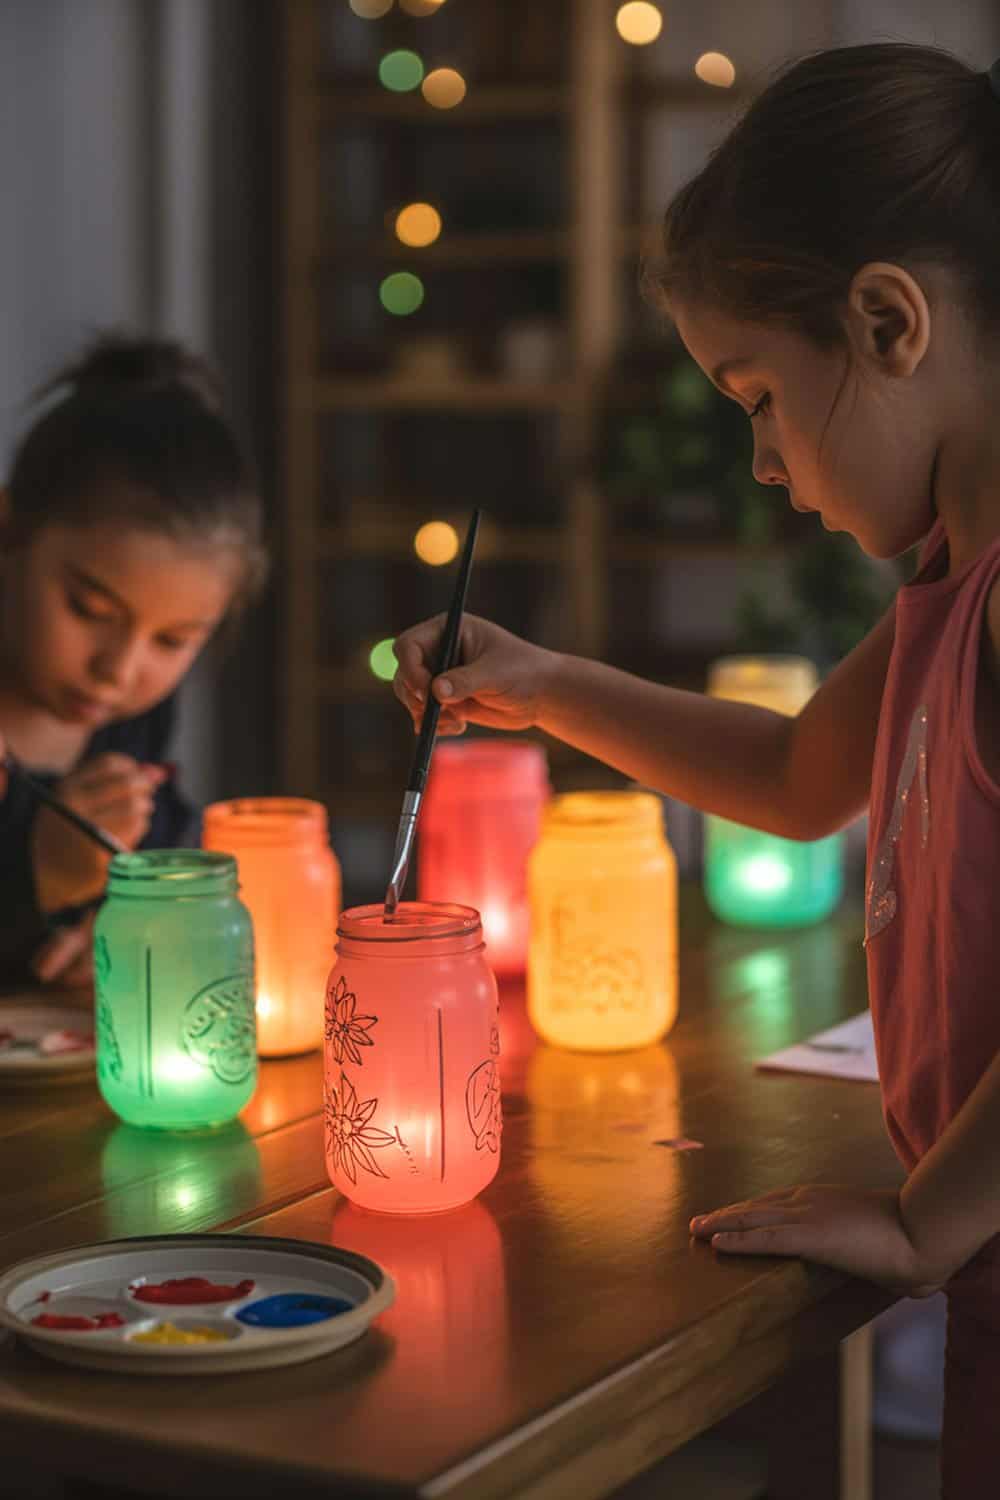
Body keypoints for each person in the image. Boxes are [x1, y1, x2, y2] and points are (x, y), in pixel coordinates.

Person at [392, 45, 1000, 1492]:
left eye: (758, 399)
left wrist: (927, 1222)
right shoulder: (947, 576)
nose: (764, 461)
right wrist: (546, 686)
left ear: (887, 321)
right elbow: (799, 775)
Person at [0, 334, 266, 987]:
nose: (119, 670)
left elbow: (164, 852)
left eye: (171, 642)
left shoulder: (132, 723)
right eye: (89, 611)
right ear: (7, 531)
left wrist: (131, 924)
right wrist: (38, 881)